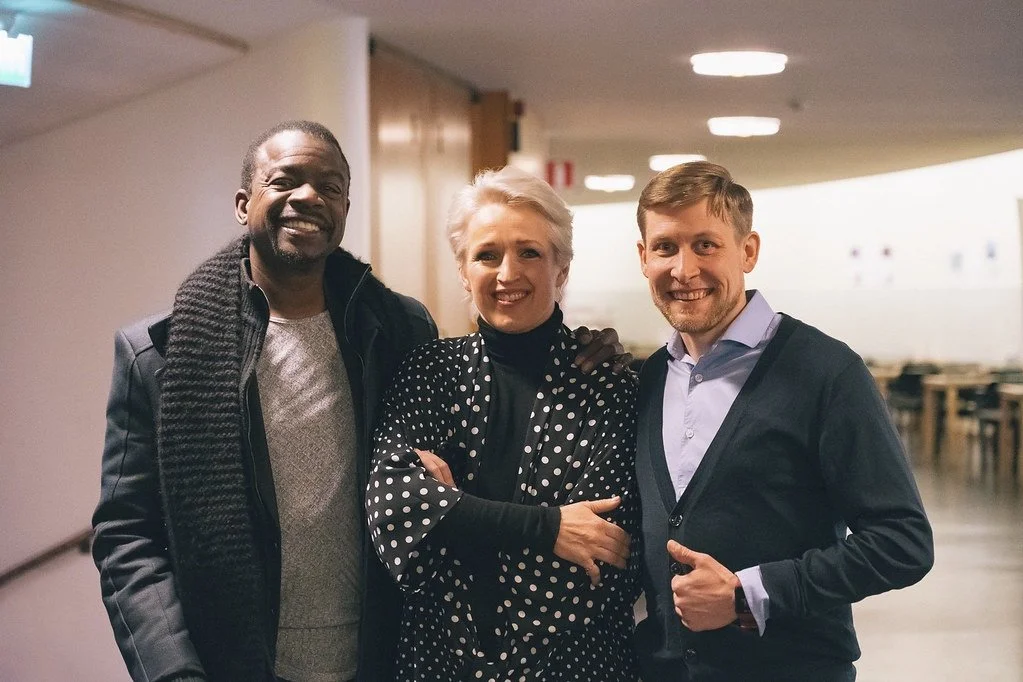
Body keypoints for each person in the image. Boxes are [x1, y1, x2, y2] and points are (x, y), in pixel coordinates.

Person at [91, 121, 626, 682]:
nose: (308, 197)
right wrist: (172, 671)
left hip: (383, 658)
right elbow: (127, 536)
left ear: (345, 208)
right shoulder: (161, 354)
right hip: (234, 664)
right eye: (285, 181)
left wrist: (593, 349)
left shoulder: (397, 330)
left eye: (329, 185)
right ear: (244, 204)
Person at [631, 161, 934, 682]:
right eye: (665, 247)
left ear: (748, 251)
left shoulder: (825, 371)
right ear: (643, 258)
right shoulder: (649, 378)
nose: (684, 269)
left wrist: (748, 594)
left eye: (706, 245)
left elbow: (902, 541)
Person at [366, 166, 642, 681]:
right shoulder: (429, 372)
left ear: (562, 268)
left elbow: (590, 572)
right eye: (487, 255)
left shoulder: (608, 387)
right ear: (462, 270)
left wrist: (452, 515)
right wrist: (548, 527)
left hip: (573, 668)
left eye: (529, 252)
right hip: (436, 665)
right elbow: (394, 515)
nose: (507, 273)